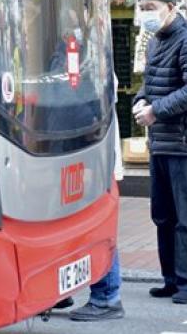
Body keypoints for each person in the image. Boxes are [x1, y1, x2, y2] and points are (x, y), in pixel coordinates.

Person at [133, 0, 187, 304]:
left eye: (150, 8)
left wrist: (157, 110)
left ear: (171, 7)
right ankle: (173, 279)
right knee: (164, 215)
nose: (145, 15)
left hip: (186, 142)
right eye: (141, 9)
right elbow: (151, 83)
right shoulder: (156, 42)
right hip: (162, 142)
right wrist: (142, 101)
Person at [68, 76, 125, 321]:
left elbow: (83, 104)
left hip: (86, 151)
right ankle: (65, 291)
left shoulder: (81, 53)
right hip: (83, 150)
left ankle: (106, 297)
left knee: (96, 225)